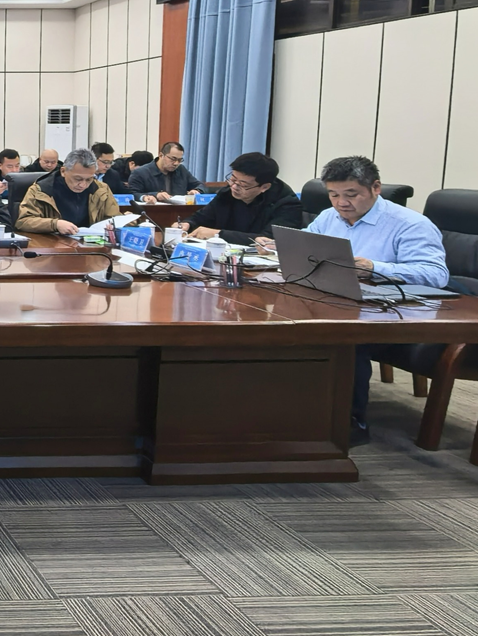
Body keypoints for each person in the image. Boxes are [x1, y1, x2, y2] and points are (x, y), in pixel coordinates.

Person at [289, 156, 449, 445]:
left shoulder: (409, 224)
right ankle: (293, 410)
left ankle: (349, 423)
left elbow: (436, 275)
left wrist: (375, 268)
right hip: (346, 300)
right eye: (333, 195)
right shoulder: (328, 217)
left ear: (376, 188)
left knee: (342, 337)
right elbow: (306, 245)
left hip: (399, 313)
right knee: (288, 324)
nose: (341, 203)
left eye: (351, 194)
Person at [175, 153, 301, 245]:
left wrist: (218, 234)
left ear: (264, 187)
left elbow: (268, 239)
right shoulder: (226, 193)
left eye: (243, 185)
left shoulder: (287, 203)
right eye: (233, 179)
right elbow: (201, 217)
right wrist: (187, 224)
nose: (234, 187)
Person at [15, 148, 122, 235]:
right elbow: (24, 221)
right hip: (53, 245)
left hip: (91, 244)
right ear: (63, 171)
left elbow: (113, 218)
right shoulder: (41, 190)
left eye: (89, 179)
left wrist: (112, 226)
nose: (83, 185)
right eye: (78, 179)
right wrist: (55, 224)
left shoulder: (101, 190)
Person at [129, 141, 202, 203]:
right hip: (153, 211)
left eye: (180, 160)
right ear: (161, 155)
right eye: (173, 159)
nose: (176, 163)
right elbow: (132, 194)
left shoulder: (181, 170)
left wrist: (196, 191)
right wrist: (154, 195)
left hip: (180, 211)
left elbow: (200, 185)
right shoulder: (140, 173)